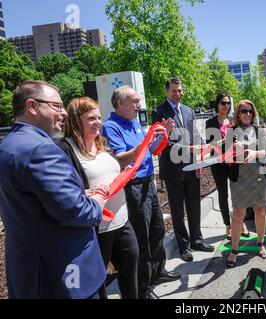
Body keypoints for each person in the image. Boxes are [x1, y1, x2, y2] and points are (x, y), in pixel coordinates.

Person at [0, 81, 108, 299]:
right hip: (65, 275)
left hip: (30, 270)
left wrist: (78, 195)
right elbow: (76, 212)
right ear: (32, 106)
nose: (65, 113)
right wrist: (96, 201)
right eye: (57, 106)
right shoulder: (42, 150)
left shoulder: (9, 145)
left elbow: (32, 200)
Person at [102, 86, 180, 300]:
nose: (139, 106)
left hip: (148, 182)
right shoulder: (111, 126)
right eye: (135, 101)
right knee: (142, 236)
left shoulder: (135, 123)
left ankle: (158, 271)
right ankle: (144, 288)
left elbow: (152, 150)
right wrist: (146, 141)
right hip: (132, 187)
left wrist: (161, 135)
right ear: (120, 104)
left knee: (156, 230)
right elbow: (121, 158)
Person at [58, 97, 140, 299]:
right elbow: (65, 189)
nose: (98, 122)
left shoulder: (101, 145)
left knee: (131, 267)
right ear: (77, 121)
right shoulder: (64, 149)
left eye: (99, 117)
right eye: (91, 118)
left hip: (122, 221)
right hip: (96, 230)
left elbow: (111, 172)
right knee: (97, 279)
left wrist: (125, 173)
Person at [152, 77, 215, 263]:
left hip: (192, 166)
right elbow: (164, 142)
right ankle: (184, 246)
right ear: (167, 92)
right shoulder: (158, 112)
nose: (178, 94)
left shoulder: (188, 110)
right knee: (177, 209)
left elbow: (194, 133)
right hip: (172, 168)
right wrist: (189, 149)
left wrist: (203, 146)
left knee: (194, 204)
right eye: (174, 91)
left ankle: (197, 239)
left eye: (180, 90)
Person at [226, 100, 266, 268]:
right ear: (238, 113)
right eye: (244, 111)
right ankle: (234, 250)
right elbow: (227, 158)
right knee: (238, 214)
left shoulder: (259, 130)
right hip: (240, 178)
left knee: (260, 210)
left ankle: (260, 243)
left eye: (250, 111)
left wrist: (254, 153)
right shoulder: (231, 132)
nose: (247, 114)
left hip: (259, 176)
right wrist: (232, 149)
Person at [205, 93, 250, 240]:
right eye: (223, 103)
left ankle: (241, 222)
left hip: (233, 162)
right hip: (218, 163)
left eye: (228, 103)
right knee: (223, 194)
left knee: (238, 193)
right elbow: (210, 145)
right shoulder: (210, 122)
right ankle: (228, 225)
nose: (226, 106)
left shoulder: (233, 121)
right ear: (217, 105)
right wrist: (225, 140)